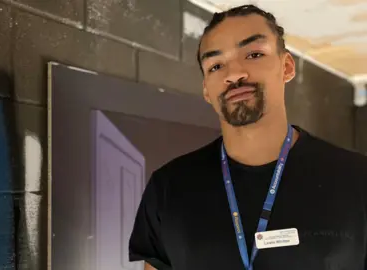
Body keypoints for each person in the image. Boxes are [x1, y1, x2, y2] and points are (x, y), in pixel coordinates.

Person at [128, 4, 367, 270]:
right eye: (216, 65)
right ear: (206, 89)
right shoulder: (167, 189)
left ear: (286, 66)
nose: (234, 74)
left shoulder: (357, 179)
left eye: (253, 54)